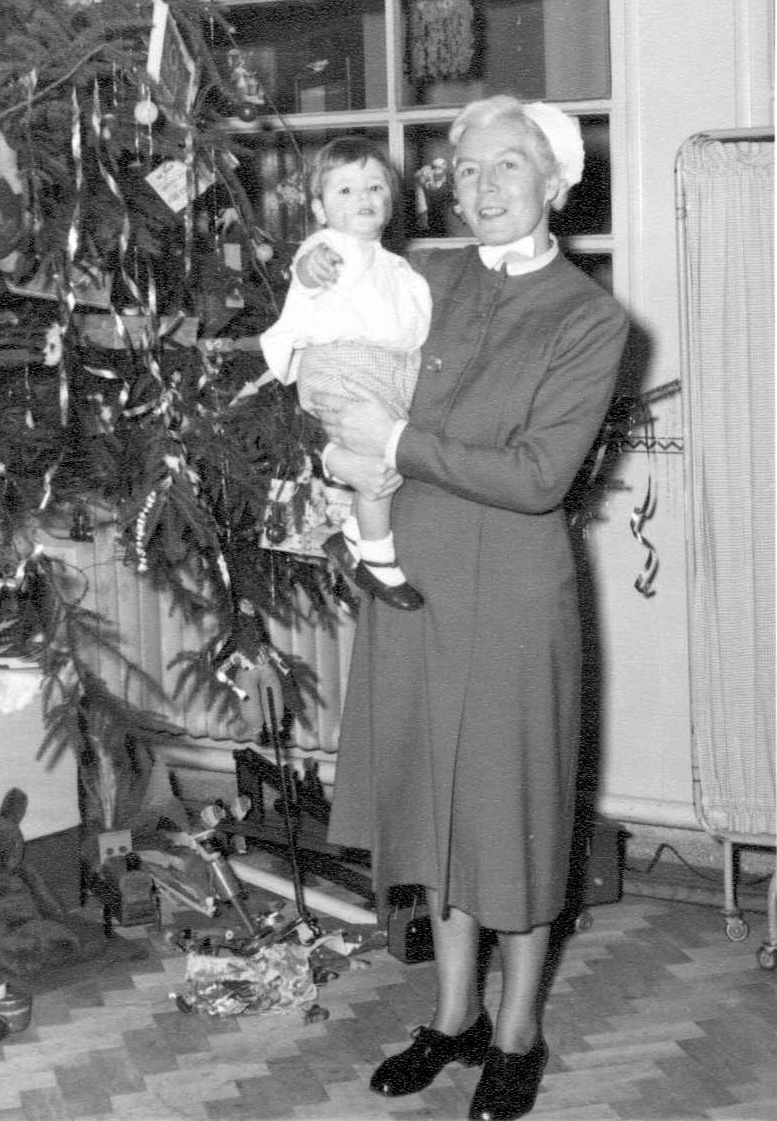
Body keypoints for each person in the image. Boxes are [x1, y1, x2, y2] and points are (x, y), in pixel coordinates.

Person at [313, 95, 629, 1121]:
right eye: (468, 168)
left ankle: (519, 1031)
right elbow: (338, 318)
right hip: (406, 584)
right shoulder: (426, 278)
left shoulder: (589, 319)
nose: (482, 188)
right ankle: (452, 1016)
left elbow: (538, 475)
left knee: (512, 816)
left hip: (511, 599)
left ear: (555, 182)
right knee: (437, 817)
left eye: (508, 167)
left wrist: (393, 443)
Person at [258, 135, 431, 610]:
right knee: (379, 464)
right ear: (319, 208)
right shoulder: (329, 245)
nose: (363, 199)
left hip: (387, 371)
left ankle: (352, 534)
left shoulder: (397, 267)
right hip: (342, 365)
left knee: (399, 458)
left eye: (375, 188)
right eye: (345, 191)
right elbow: (309, 271)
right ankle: (376, 559)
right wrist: (313, 267)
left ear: (391, 203)